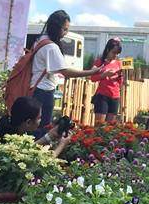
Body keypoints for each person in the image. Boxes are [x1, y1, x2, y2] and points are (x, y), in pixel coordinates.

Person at [30, 10, 113, 138]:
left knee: (35, 128)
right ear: (56, 27)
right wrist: (92, 71)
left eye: (67, 29)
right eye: (64, 29)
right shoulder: (51, 47)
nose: (65, 33)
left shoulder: (40, 40)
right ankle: (36, 154)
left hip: (36, 89)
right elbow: (66, 72)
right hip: (44, 92)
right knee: (41, 129)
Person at [0, 95, 71, 154]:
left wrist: (49, 136)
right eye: (39, 118)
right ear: (28, 122)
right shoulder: (10, 143)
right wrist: (61, 145)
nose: (41, 120)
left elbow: (28, 148)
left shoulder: (7, 123)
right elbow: (41, 163)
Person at [91, 38, 124, 124]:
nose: (115, 55)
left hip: (115, 96)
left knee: (110, 127)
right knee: (100, 125)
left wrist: (120, 76)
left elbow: (120, 82)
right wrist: (105, 75)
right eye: (113, 52)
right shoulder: (99, 62)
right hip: (102, 95)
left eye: (117, 54)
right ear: (108, 50)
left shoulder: (119, 63)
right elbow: (92, 78)